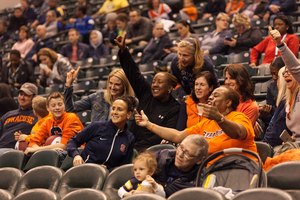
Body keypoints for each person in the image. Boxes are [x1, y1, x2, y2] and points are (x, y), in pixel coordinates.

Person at [135, 85, 257, 163]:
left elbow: (238, 133)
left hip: (241, 168)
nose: (210, 97)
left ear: (228, 102)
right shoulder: (206, 123)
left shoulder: (239, 117)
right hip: (212, 171)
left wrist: (220, 118)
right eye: (211, 95)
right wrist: (149, 125)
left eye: (216, 95)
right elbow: (177, 136)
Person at [115, 33, 181, 151]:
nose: (154, 85)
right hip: (130, 145)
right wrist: (124, 50)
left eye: (159, 82)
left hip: (150, 150)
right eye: (154, 81)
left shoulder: (175, 109)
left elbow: (165, 136)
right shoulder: (146, 93)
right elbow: (133, 73)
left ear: (170, 88)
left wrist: (138, 148)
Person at [67, 96, 137, 172]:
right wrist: (76, 155)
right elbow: (72, 142)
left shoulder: (130, 138)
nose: (115, 112)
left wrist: (106, 170)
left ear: (128, 114)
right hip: (84, 170)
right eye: (113, 108)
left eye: (120, 109)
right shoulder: (97, 126)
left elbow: (122, 167)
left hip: (107, 178)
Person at [64, 68, 134, 122]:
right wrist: (69, 85)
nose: (112, 87)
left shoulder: (132, 103)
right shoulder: (98, 97)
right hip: (97, 139)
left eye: (117, 84)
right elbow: (70, 109)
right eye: (111, 83)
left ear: (125, 86)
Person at [269, 26, 300, 141]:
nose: (286, 74)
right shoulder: (291, 96)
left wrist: (280, 44)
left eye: (289, 72)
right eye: (285, 72)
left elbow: (295, 67)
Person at [0, 83, 38, 154]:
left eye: (26, 95)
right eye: (21, 94)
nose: (22, 98)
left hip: (16, 151)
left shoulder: (38, 115)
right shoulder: (8, 115)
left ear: (34, 97)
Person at [263, 67, 291, 147]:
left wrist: (262, 146)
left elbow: (275, 136)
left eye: (277, 80)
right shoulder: (283, 102)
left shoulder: (285, 103)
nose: (275, 83)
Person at [258, 57, 285, 124]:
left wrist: (272, 110)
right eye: (272, 74)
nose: (273, 77)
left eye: (275, 74)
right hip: (276, 121)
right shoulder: (271, 87)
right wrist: (265, 115)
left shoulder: (291, 85)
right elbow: (270, 114)